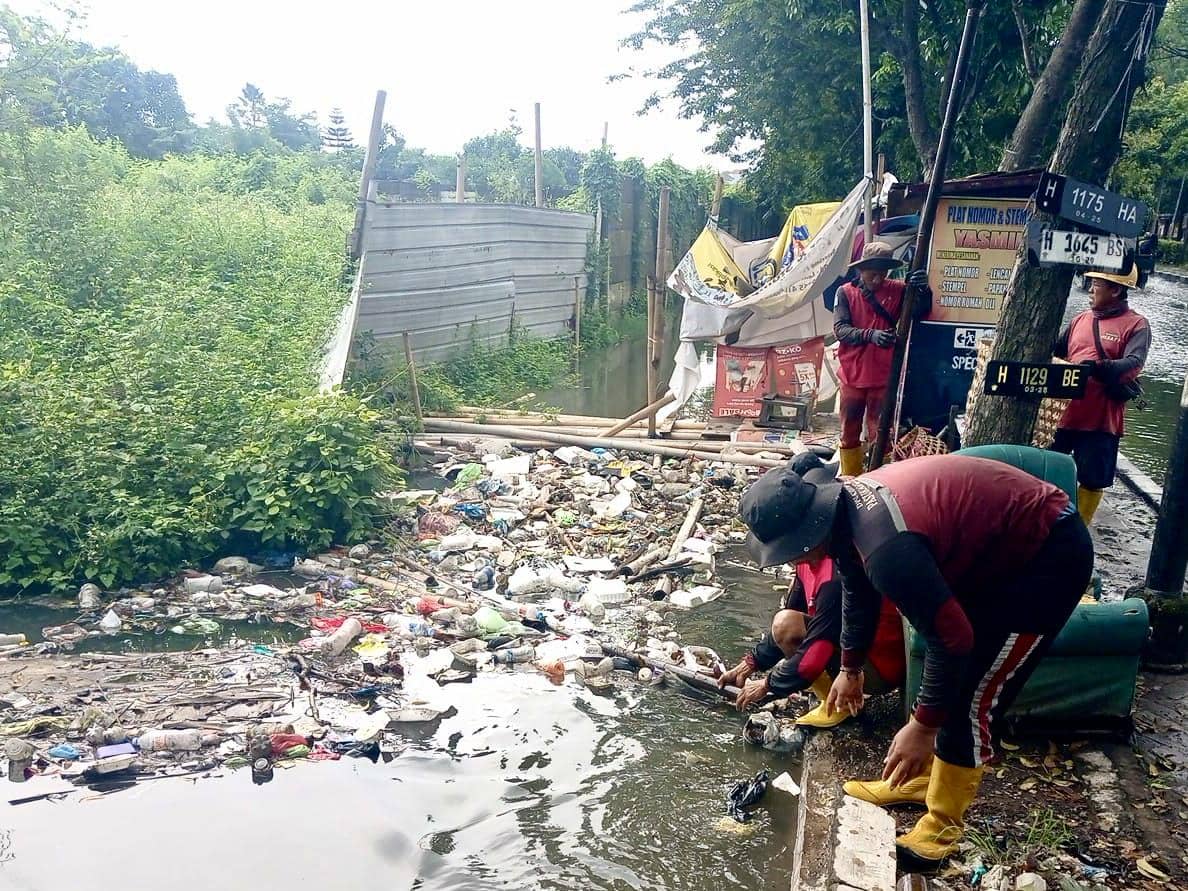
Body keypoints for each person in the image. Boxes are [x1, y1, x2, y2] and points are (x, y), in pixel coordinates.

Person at [739, 453, 1092, 870]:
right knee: (949, 679)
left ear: (806, 532)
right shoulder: (845, 514)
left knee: (972, 692)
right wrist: (850, 668)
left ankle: (942, 827)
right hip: (993, 556)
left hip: (1048, 554)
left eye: (790, 553)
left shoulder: (887, 550)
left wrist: (923, 727)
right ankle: (921, 780)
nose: (794, 562)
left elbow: (953, 640)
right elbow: (856, 589)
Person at [719, 455, 905, 731]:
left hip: (877, 664)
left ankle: (838, 705)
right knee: (786, 620)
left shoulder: (837, 571)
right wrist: (750, 664)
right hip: (853, 651)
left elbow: (814, 652)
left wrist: (768, 685)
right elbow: (794, 614)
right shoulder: (809, 560)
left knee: (788, 625)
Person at [1050, 266, 1151, 525]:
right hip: (1063, 414)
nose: (1090, 289)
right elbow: (1056, 351)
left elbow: (1133, 363)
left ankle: (1080, 530)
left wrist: (1097, 367)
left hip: (1101, 420)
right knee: (1048, 468)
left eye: (1096, 284)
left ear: (1115, 290)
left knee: (1093, 479)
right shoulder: (1079, 320)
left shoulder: (1137, 325)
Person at [833, 242, 932, 477]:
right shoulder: (845, 292)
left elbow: (919, 313)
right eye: (872, 273)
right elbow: (840, 329)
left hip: (884, 375)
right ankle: (849, 478)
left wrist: (924, 290)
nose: (877, 278)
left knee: (881, 433)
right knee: (849, 430)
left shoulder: (898, 289)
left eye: (883, 272)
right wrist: (870, 335)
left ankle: (880, 479)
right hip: (852, 374)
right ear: (861, 270)